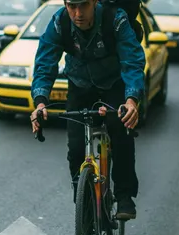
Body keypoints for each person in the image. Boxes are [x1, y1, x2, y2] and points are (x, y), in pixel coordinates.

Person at [30, 0, 145, 220]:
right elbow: (45, 62)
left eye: (83, 5)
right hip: (80, 85)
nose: (77, 13)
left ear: (94, 2)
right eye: (72, 6)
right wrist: (41, 102)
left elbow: (132, 60)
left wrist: (131, 100)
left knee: (120, 128)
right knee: (75, 149)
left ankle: (123, 195)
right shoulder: (59, 22)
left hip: (114, 83)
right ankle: (86, 207)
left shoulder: (115, 19)